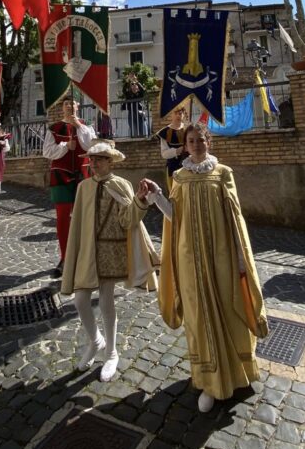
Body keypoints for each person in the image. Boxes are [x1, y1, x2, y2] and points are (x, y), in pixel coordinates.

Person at [144, 123, 268, 414]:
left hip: (222, 256)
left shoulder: (222, 173)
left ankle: (242, 373)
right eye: (191, 140)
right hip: (191, 260)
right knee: (200, 317)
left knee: (229, 308)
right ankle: (209, 383)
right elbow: (175, 216)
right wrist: (156, 197)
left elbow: (235, 219)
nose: (196, 144)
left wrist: (240, 260)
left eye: (201, 139)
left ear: (208, 142)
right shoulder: (180, 176)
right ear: (185, 145)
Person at [61, 141, 159, 381]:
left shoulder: (121, 184)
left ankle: (111, 352)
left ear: (110, 161)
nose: (94, 163)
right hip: (89, 251)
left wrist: (140, 201)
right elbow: (78, 225)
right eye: (92, 160)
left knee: (106, 301)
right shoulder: (83, 187)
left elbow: (128, 220)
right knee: (81, 299)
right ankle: (95, 342)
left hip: (111, 251)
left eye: (100, 159)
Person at [43, 98, 97, 276]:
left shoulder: (86, 126)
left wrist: (79, 127)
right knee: (63, 218)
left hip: (83, 176)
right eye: (65, 103)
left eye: (72, 103)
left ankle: (84, 257)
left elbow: (91, 145)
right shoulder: (54, 128)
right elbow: (47, 152)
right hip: (60, 175)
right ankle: (65, 258)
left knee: (84, 218)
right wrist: (66, 145)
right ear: (62, 108)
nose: (69, 105)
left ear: (77, 106)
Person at [156, 105, 189, 189]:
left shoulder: (189, 129)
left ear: (184, 114)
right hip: (173, 168)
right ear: (171, 114)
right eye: (176, 113)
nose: (178, 115)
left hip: (189, 166)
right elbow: (164, 154)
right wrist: (177, 151)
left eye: (180, 113)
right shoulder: (164, 132)